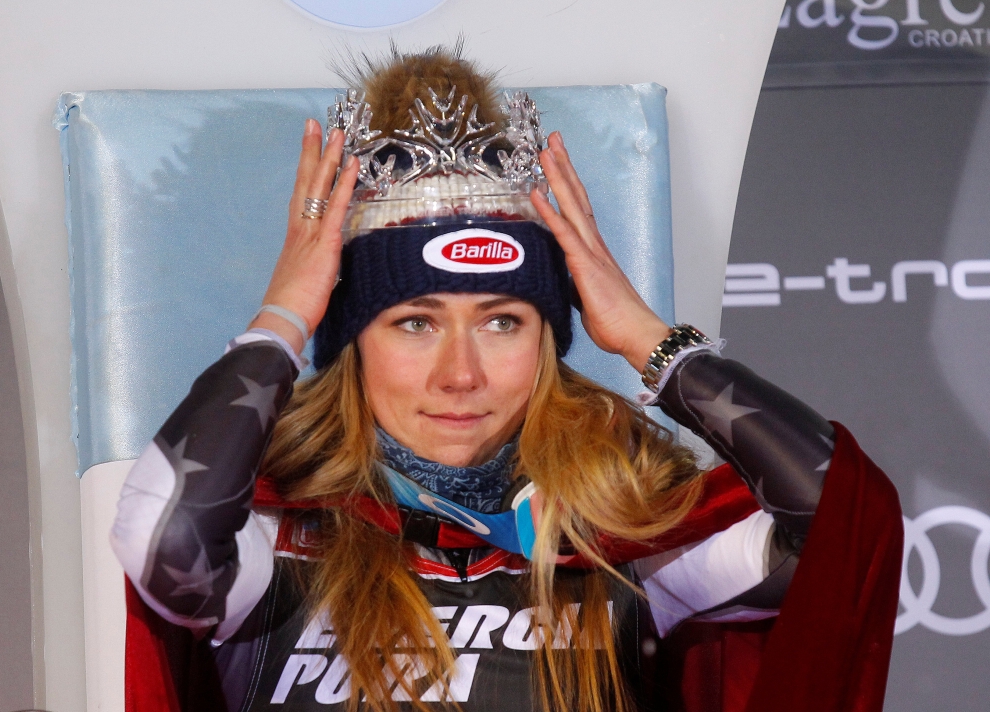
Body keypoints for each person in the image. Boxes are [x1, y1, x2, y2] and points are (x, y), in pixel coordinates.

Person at [111, 48, 902, 712]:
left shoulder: (623, 548)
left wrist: (653, 342)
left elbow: (843, 528)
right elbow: (162, 538)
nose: (461, 374)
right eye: (414, 322)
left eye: (503, 321)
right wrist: (284, 316)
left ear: (550, 342)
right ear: (349, 341)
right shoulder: (269, 545)